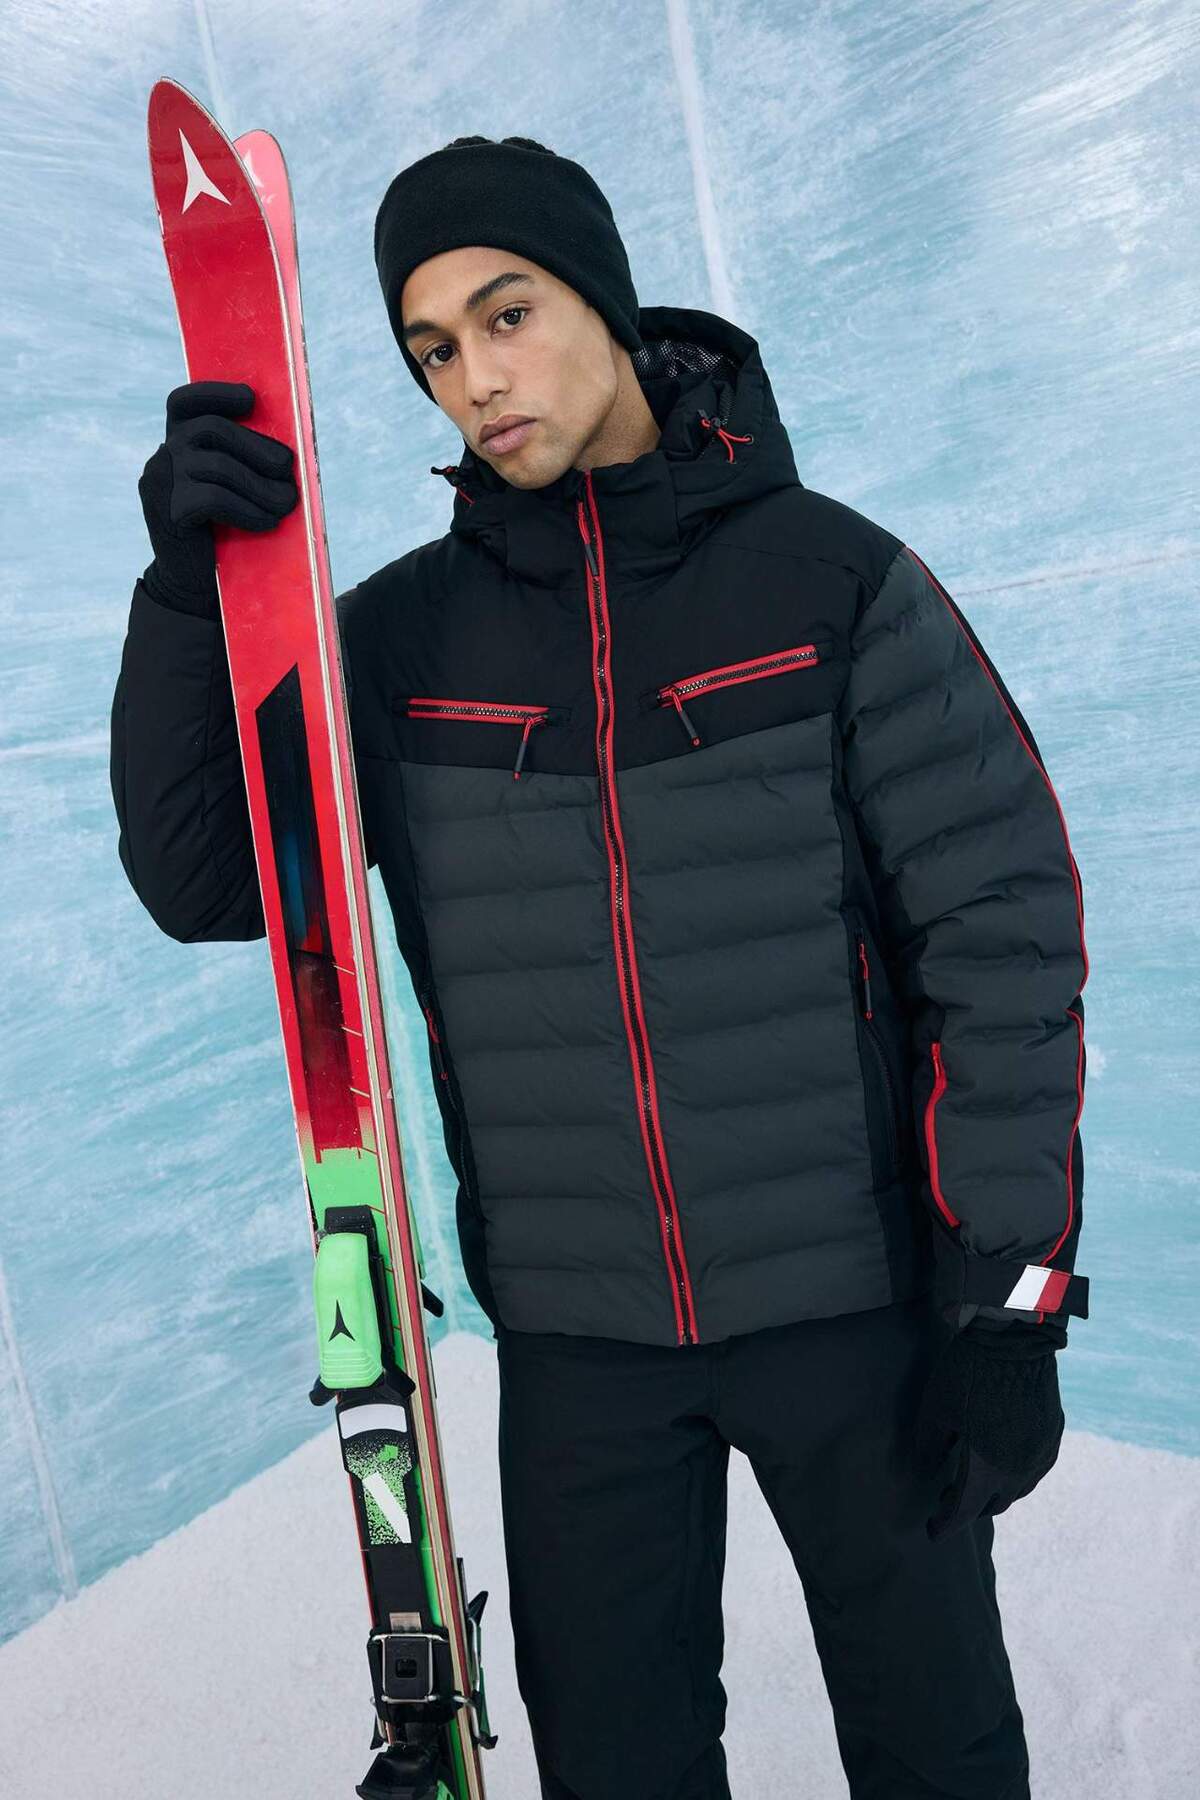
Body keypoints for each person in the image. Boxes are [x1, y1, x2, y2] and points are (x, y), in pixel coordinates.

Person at [110, 134, 1090, 1800]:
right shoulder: (401, 642)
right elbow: (208, 881)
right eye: (432, 349)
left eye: (508, 315)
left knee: (937, 1743)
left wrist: (1011, 1296)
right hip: (579, 1340)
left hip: (851, 1305)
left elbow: (1000, 932)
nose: (476, 381)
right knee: (619, 1764)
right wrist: (191, 600)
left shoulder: (833, 583)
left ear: (608, 309)